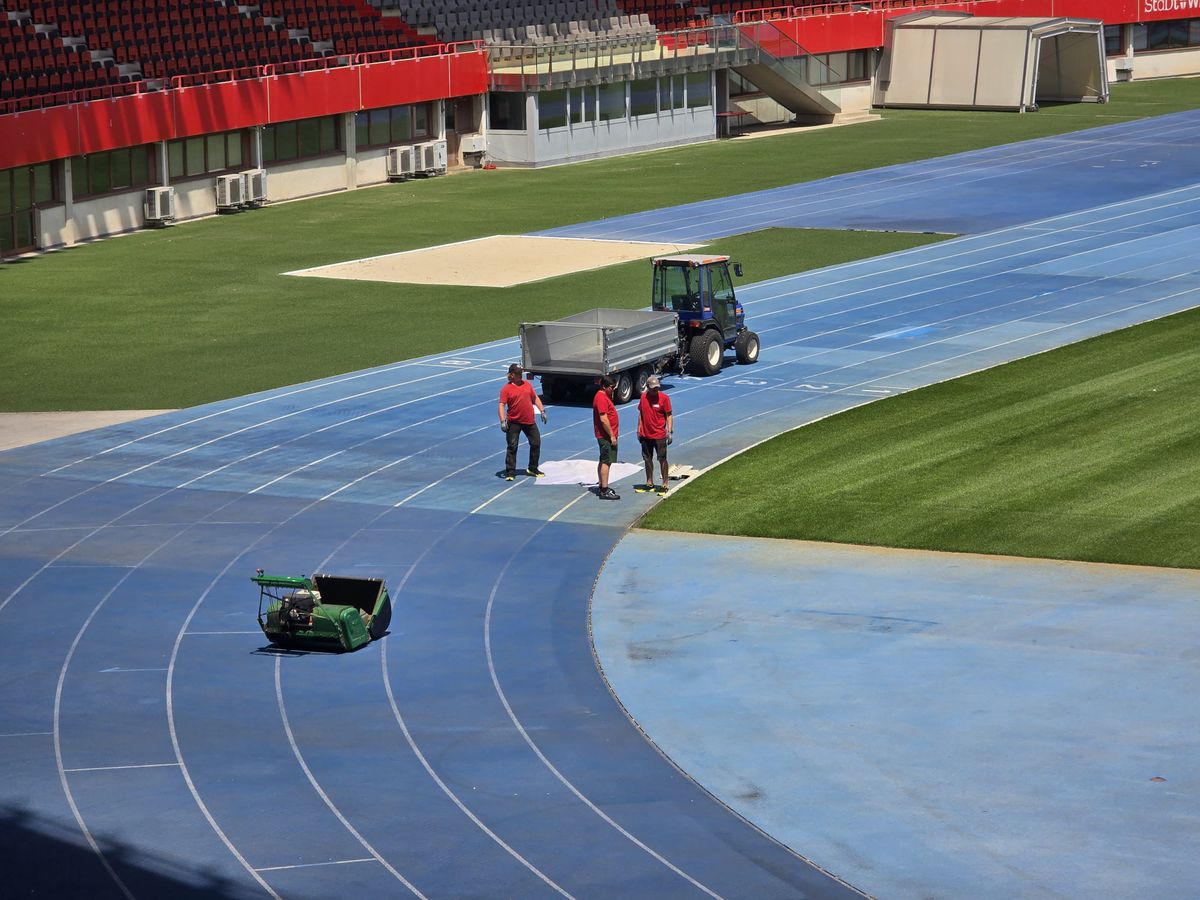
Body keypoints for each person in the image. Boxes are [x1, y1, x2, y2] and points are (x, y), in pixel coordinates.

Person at [498, 363, 546, 481]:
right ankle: (510, 472)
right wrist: (503, 421)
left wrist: (542, 410)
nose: (521, 376)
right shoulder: (506, 389)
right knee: (512, 446)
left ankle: (533, 468)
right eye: (518, 374)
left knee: (536, 443)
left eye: (521, 373)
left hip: (529, 420)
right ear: (512, 375)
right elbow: (501, 405)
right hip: (514, 422)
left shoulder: (527, 385)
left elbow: (535, 398)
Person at [635, 375, 673, 494]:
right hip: (646, 435)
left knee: (662, 459)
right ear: (647, 387)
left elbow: (669, 415)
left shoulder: (664, 398)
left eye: (657, 388)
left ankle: (665, 483)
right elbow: (641, 414)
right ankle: (649, 482)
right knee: (647, 459)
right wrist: (638, 430)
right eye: (653, 388)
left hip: (660, 435)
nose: (656, 390)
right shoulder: (643, 397)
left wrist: (669, 431)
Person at [593, 374, 620, 500]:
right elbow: (603, 419)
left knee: (604, 460)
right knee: (606, 461)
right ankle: (604, 489)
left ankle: (602, 485)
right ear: (604, 386)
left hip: (606, 435)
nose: (613, 389)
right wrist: (612, 436)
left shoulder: (604, 396)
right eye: (611, 387)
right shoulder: (601, 398)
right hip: (606, 436)